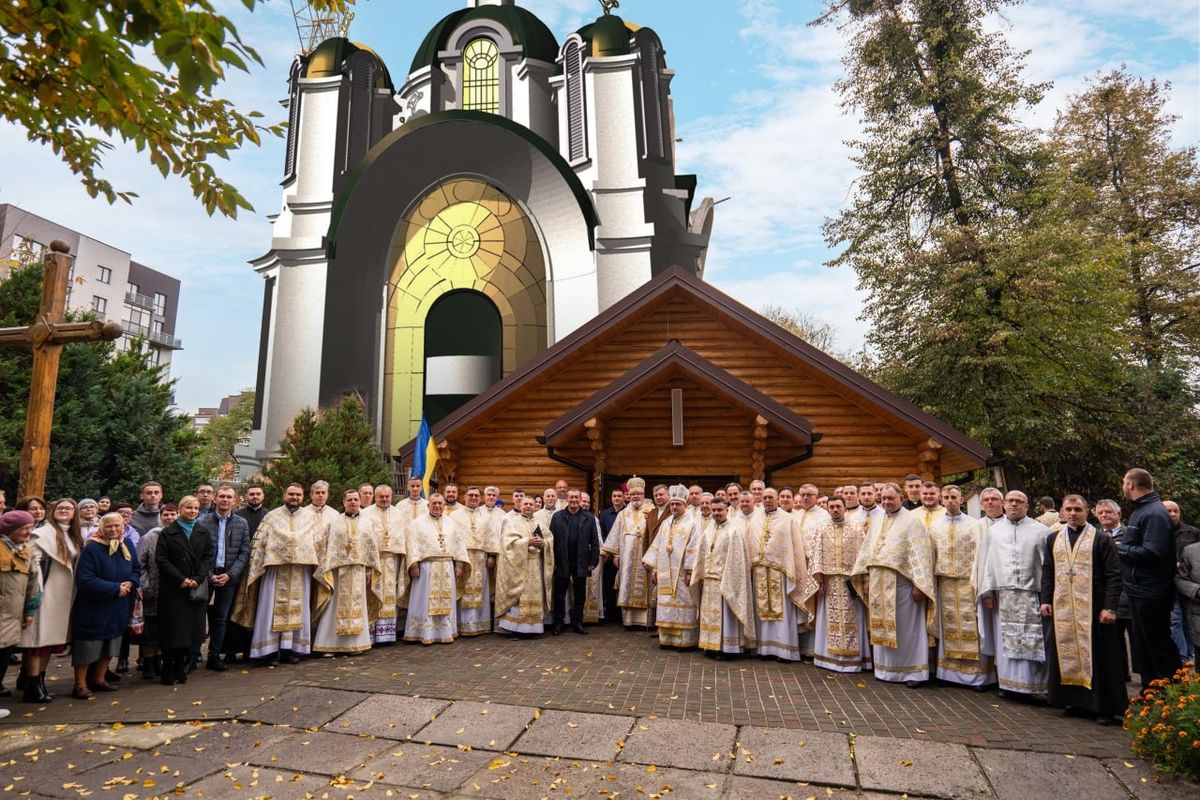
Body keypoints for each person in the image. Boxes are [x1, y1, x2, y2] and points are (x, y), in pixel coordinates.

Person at [1039, 495, 1127, 724]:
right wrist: (1045, 599)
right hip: (1063, 608)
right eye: (1068, 509)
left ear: (1087, 512)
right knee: (1066, 653)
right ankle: (1075, 702)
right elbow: (1048, 570)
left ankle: (1104, 708)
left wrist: (1110, 606)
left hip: (1095, 608)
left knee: (1101, 657)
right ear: (1061, 511)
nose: (1073, 513)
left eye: (1077, 509)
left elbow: (1114, 576)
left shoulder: (1100, 539)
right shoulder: (1053, 539)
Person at [852, 484, 936, 687]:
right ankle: (885, 669)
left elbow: (921, 555)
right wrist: (866, 578)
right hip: (878, 582)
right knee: (882, 624)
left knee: (907, 629)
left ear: (901, 497)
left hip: (903, 584)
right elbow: (867, 551)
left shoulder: (912, 522)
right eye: (884, 499)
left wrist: (919, 584)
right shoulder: (879, 519)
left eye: (891, 498)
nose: (887, 502)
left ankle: (913, 672)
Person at [232, 483, 320, 664]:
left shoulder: (311, 518)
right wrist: (258, 566)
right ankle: (269, 650)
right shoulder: (271, 516)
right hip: (274, 571)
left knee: (298, 609)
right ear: (284, 495)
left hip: (299, 571)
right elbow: (258, 543)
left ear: (303, 497)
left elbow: (318, 543)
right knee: (269, 609)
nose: (294, 498)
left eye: (297, 495)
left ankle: (291, 649)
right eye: (291, 494)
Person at [975, 490, 1050, 698]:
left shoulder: (1041, 531)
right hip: (1003, 595)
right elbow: (987, 563)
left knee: (1034, 639)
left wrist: (1047, 594)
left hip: (1032, 595)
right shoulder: (993, 532)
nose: (1014, 505)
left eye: (1019, 502)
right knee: (1005, 640)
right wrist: (988, 593)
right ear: (1004, 505)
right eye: (1010, 501)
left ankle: (1036, 686)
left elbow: (1047, 565)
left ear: (1027, 506)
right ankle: (1008, 685)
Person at [1118, 468, 1181, 689]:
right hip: (1140, 588)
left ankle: (1171, 693)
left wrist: (1121, 549)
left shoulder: (1153, 513)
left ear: (1130, 485)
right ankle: (1151, 691)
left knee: (1157, 644)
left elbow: (1154, 552)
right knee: (1145, 644)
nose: (1123, 487)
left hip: (1151, 590)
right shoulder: (1142, 510)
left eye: (1124, 482)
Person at [19, 496, 82, 703]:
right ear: (52, 511)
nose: (64, 511)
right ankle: (32, 685)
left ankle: (41, 682)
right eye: (60, 507)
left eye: (69, 508)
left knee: (50, 643)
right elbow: (32, 563)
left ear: (75, 514)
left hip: (64, 596)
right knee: (37, 642)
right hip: (45, 594)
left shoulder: (74, 536)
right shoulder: (41, 534)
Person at [930, 485, 994, 688]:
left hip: (969, 583)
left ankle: (977, 676)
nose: (950, 501)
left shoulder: (975, 525)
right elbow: (930, 556)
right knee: (947, 625)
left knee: (972, 626)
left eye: (953, 497)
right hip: (945, 583)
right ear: (941, 499)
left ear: (961, 500)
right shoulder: (935, 526)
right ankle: (948, 674)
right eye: (946, 497)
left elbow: (982, 556)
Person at [71, 512, 139, 698]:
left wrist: (131, 583)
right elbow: (84, 579)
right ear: (101, 527)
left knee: (111, 642)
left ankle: (99, 679)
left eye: (117, 526)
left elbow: (135, 569)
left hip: (118, 605)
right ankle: (80, 684)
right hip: (95, 604)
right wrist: (114, 588)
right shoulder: (92, 548)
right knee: (88, 645)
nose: (114, 529)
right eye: (109, 526)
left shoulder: (127, 545)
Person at [805, 497, 870, 673]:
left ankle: (854, 660)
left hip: (851, 583)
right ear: (827, 509)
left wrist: (865, 580)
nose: (835, 510)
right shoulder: (822, 529)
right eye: (831, 507)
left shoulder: (856, 529)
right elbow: (816, 556)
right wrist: (819, 580)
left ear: (844, 508)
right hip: (830, 583)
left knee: (853, 619)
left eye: (838, 506)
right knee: (829, 621)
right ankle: (829, 659)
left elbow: (864, 557)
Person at [154, 496, 214, 686]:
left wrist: (197, 579)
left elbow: (207, 558)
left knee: (190, 632)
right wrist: (181, 579)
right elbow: (162, 559)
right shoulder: (168, 533)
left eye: (196, 508)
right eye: (189, 508)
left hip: (195, 589)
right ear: (180, 509)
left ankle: (181, 667)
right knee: (173, 631)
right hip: (174, 588)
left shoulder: (202, 532)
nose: (193, 511)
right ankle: (168, 668)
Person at [312, 489, 380, 655]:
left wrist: (371, 571)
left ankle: (355, 645)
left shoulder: (367, 522)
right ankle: (330, 645)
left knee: (358, 606)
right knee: (333, 607)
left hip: (358, 571)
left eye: (356, 499)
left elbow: (372, 548)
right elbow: (322, 546)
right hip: (337, 572)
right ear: (343, 503)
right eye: (349, 500)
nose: (353, 502)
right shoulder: (334, 522)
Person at [746, 487, 809, 662]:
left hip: (781, 572)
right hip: (759, 571)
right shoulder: (755, 518)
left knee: (783, 611)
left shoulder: (788, 519)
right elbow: (750, 541)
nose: (767, 500)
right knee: (761, 611)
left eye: (771, 497)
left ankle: (784, 650)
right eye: (765, 497)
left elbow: (795, 548)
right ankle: (763, 649)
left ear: (777, 499)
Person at [691, 497, 755, 657]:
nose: (716, 513)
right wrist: (699, 576)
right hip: (708, 581)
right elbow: (701, 554)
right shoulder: (709, 530)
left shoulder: (733, 531)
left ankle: (727, 648)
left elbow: (737, 561)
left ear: (726, 510)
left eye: (719, 510)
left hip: (725, 581)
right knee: (708, 615)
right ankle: (710, 645)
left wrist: (727, 581)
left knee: (725, 616)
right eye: (714, 510)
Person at [403, 494, 470, 645]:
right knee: (424, 600)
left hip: (446, 566)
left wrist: (459, 565)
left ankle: (445, 632)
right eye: (434, 503)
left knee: (446, 599)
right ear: (428, 505)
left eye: (440, 503)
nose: (437, 506)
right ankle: (423, 632)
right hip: (427, 567)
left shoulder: (451, 523)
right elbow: (412, 544)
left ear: (444, 505)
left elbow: (459, 544)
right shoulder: (417, 524)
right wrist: (413, 565)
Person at [196, 485, 250, 671]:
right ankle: (193, 654)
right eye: (222, 497)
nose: (225, 500)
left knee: (221, 618)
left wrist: (230, 574)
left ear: (234, 501)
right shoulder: (202, 522)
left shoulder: (241, 524)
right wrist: (209, 575)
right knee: (199, 616)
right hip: (206, 577)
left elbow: (244, 552)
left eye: (229, 497)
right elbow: (198, 552)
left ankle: (214, 655)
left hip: (229, 578)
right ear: (215, 499)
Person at [641, 486, 699, 648]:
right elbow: (657, 546)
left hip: (682, 575)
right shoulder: (666, 523)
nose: (674, 507)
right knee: (665, 603)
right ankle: (666, 639)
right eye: (672, 505)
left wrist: (689, 571)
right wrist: (655, 568)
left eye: (677, 504)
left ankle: (684, 641)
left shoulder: (692, 523)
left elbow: (694, 548)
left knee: (683, 603)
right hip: (666, 573)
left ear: (684, 505)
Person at [601, 477, 659, 630]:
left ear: (643, 494)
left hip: (645, 556)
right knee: (626, 585)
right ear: (629, 495)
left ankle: (646, 622)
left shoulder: (652, 510)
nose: (635, 497)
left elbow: (656, 534)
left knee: (646, 586)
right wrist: (616, 555)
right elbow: (616, 535)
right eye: (633, 494)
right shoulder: (623, 514)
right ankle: (629, 621)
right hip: (626, 558)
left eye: (639, 494)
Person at [495, 496, 554, 636]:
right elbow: (507, 544)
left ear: (535, 507)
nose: (528, 506)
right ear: (520, 505)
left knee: (535, 594)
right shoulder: (512, 523)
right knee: (519, 595)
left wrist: (543, 543)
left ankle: (533, 628)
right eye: (525, 504)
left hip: (536, 566)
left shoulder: (540, 523)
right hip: (518, 566)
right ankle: (515, 628)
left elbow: (550, 540)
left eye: (531, 504)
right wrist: (527, 541)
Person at [0, 511, 42, 702]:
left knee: (2, 661)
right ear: (11, 529)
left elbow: (33, 584)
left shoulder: (24, 550)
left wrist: (30, 611)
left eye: (30, 528)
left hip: (13, 616)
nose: (28, 532)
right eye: (24, 528)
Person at [548, 489, 601, 636]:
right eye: (571, 497)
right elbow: (551, 540)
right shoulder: (557, 516)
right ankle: (558, 623)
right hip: (562, 560)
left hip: (581, 561)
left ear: (580, 499)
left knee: (580, 594)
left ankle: (577, 622)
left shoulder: (588, 517)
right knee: (559, 594)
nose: (574, 500)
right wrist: (552, 561)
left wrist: (593, 560)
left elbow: (595, 541)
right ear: (567, 499)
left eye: (576, 497)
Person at [136, 503, 178, 681]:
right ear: (160, 516)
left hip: (171, 592)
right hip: (151, 591)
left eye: (173, 514)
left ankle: (159, 660)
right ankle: (148, 662)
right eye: (166, 515)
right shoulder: (150, 537)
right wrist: (146, 587)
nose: (169, 518)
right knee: (150, 631)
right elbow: (140, 564)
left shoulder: (179, 535)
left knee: (164, 630)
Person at [360, 484, 406, 644]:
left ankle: (386, 635)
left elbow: (403, 538)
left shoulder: (399, 514)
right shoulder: (365, 514)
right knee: (372, 595)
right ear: (375, 497)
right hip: (374, 562)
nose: (385, 499)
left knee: (389, 596)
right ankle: (371, 635)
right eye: (381, 496)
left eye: (387, 496)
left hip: (393, 561)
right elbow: (363, 542)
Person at [449, 486, 498, 636]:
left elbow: (492, 536)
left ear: (480, 498)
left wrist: (491, 555)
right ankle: (463, 626)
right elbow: (453, 539)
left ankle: (480, 625)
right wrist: (457, 562)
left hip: (482, 559)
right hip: (464, 559)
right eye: (470, 495)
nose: (473, 498)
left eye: (476, 495)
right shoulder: (455, 516)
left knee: (481, 591)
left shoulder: (486, 516)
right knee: (464, 590)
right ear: (464, 497)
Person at [1095, 499, 1134, 679]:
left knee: (1137, 641)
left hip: (1131, 595)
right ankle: (1121, 674)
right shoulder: (1093, 537)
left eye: (1108, 512)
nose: (1104, 515)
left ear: (1119, 515)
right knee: (1115, 641)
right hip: (1109, 597)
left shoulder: (1131, 534)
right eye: (1101, 512)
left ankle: (1147, 681)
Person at [1165, 500, 1198, 662]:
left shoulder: (1192, 532)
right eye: (1168, 511)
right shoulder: (1157, 531)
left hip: (1188, 584)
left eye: (1175, 511)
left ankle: (1190, 654)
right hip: (1168, 583)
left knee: (1188, 620)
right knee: (1175, 620)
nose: (1172, 514)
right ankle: (1183, 658)